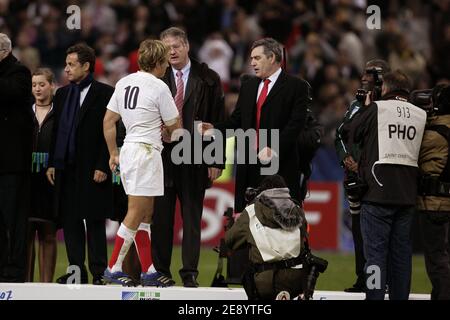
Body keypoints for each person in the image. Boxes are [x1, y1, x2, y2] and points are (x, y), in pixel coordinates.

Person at [150, 27, 226, 288]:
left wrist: (216, 159)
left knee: (193, 218)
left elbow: (220, 122)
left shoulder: (209, 78)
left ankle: (189, 273)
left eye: (176, 46)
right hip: (163, 157)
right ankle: (160, 271)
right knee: (161, 218)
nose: (171, 51)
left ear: (186, 47)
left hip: (195, 156)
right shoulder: (156, 78)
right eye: (166, 47)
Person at [200, 37, 311, 214]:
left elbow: (295, 125)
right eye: (251, 58)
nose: (252, 63)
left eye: (257, 58)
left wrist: (273, 148)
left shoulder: (296, 86)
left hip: (279, 164)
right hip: (248, 163)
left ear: (273, 58)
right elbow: (236, 121)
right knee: (246, 220)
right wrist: (215, 129)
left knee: (279, 221)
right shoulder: (249, 85)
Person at [102, 39, 181, 286]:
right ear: (158, 62)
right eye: (166, 63)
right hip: (146, 152)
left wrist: (113, 152)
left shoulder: (124, 82)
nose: (168, 68)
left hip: (129, 151)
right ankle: (112, 267)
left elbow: (108, 121)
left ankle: (148, 270)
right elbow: (175, 128)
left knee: (146, 214)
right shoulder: (159, 87)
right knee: (136, 211)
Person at [353, 70, 427, 300]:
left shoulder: (378, 108)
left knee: (375, 257)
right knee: (401, 258)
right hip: (406, 195)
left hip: (377, 193)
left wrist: (367, 106)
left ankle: (374, 297)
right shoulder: (421, 114)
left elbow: (352, 131)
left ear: (385, 88)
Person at [46, 43, 114, 285]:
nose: (66, 69)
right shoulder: (63, 94)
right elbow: (57, 132)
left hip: (92, 168)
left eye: (71, 64)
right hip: (67, 168)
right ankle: (77, 272)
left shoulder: (105, 93)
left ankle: (99, 273)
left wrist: (103, 166)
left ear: (86, 66)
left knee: (94, 221)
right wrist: (54, 162)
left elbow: (110, 133)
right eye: (66, 64)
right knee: (71, 222)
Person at [334, 59, 391, 293]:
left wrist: (363, 164)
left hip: (376, 177)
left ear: (382, 77)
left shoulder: (387, 105)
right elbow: (339, 134)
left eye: (371, 73)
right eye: (364, 73)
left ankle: (381, 281)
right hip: (353, 175)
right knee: (358, 227)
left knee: (376, 231)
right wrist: (346, 157)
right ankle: (362, 278)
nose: (364, 77)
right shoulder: (355, 105)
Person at [225, 175, 309, 300]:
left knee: (248, 272)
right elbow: (304, 236)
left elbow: (230, 240)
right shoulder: (297, 210)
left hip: (265, 283)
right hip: (297, 281)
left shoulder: (251, 211)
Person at [0, 33, 33, 283]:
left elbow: (8, 94)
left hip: (12, 164)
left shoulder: (19, 73)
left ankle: (14, 270)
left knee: (13, 218)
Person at [417, 84, 450, 300]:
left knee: (436, 257)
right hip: (445, 202)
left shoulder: (433, 134)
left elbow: (410, 151)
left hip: (434, 203)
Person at [26, 68, 57, 282]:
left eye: (42, 84)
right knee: (26, 236)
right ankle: (26, 285)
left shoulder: (60, 112)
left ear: (51, 86)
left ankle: (46, 287)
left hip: (51, 179)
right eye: (34, 84)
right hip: (27, 180)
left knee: (48, 233)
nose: (37, 88)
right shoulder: (25, 111)